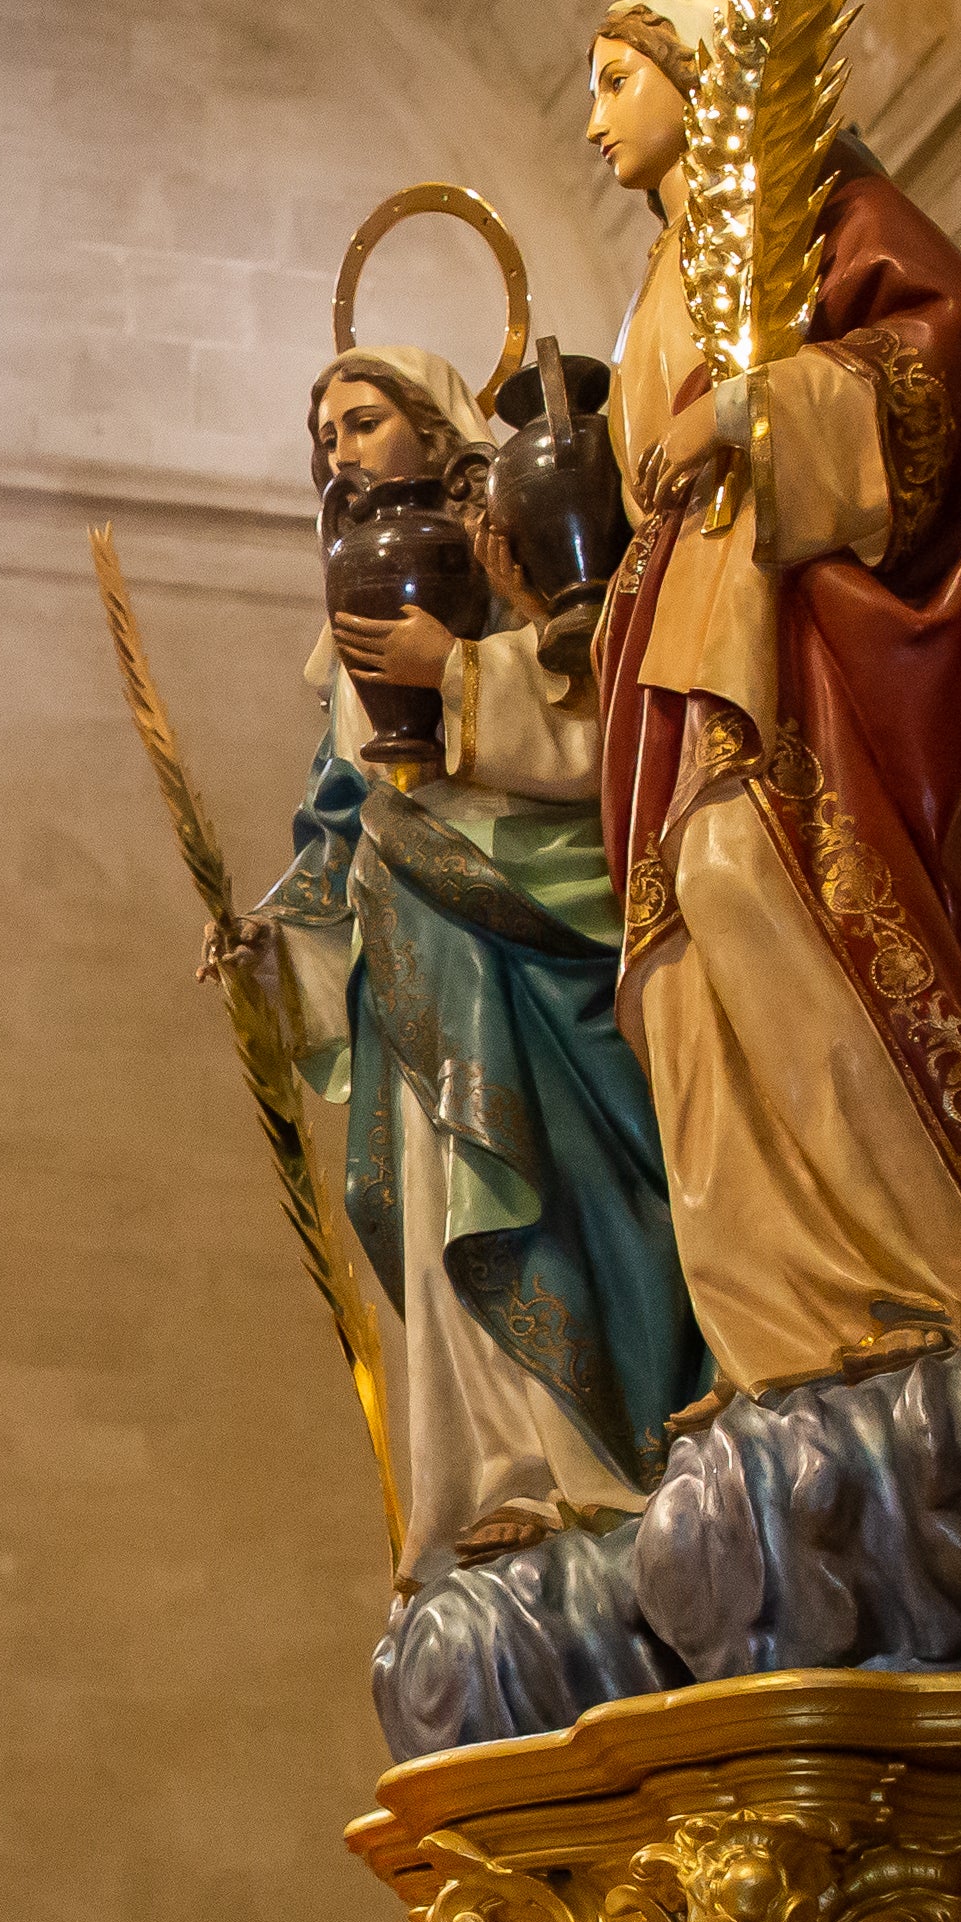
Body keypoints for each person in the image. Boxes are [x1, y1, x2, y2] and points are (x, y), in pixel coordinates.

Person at [578, 0, 961, 1392]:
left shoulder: (814, 210)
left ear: (699, 78)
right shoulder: (652, 281)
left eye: (617, 80)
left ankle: (914, 1282)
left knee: (759, 879)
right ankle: (777, 1336)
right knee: (681, 969)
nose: (593, 120)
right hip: (672, 647)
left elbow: (956, 342)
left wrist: (757, 408)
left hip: (774, 639)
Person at [221, 344, 703, 1571]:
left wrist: (458, 670)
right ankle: (493, 1479)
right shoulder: (341, 625)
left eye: (365, 420)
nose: (339, 450)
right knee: (434, 1200)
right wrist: (269, 954)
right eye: (324, 433)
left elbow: (610, 727)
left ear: (436, 431)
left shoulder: (521, 538)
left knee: (565, 1183)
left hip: (545, 944)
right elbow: (338, 825)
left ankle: (591, 1469)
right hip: (414, 953)